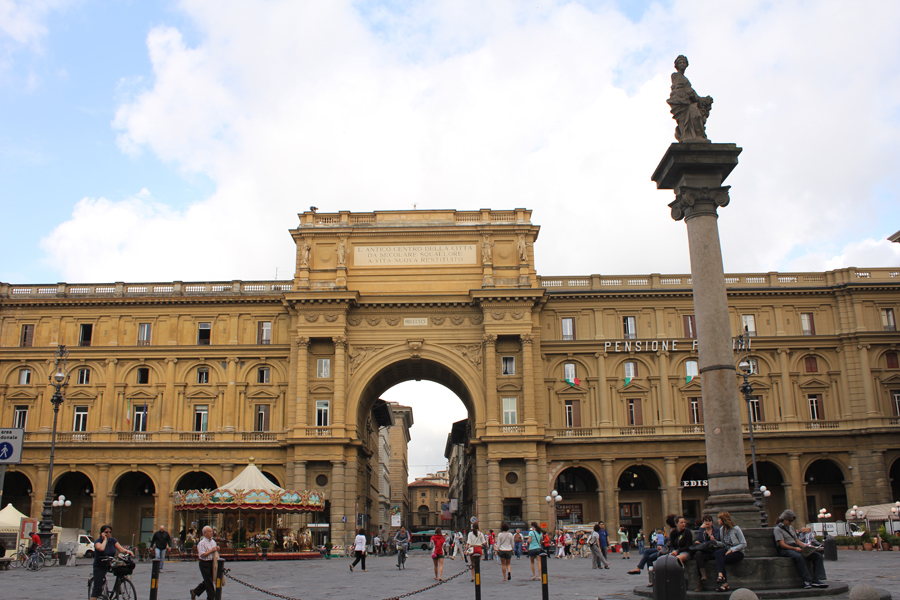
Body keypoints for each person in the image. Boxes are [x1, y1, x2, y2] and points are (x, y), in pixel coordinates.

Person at [773, 509, 828, 589]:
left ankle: (816, 579)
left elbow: (797, 540)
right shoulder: (778, 529)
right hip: (786, 549)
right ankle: (806, 580)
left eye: (792, 521)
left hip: (795, 547)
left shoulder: (790, 528)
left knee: (818, 556)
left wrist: (806, 547)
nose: (790, 522)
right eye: (789, 520)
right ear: (784, 519)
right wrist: (795, 549)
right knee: (799, 557)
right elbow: (782, 545)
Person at [90, 525, 134, 600]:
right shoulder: (98, 541)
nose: (108, 534)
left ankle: (117, 588)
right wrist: (104, 540)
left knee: (121, 571)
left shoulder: (113, 540)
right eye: (106, 532)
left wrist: (127, 551)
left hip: (109, 563)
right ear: (102, 533)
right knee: (97, 587)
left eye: (110, 532)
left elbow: (121, 549)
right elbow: (101, 548)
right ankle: (94, 597)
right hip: (100, 565)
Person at [713, 511, 746, 593]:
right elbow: (724, 544)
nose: (718, 521)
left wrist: (732, 550)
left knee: (722, 559)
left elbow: (744, 544)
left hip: (738, 551)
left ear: (724, 520)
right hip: (727, 549)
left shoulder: (736, 529)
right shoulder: (722, 529)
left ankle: (724, 583)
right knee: (718, 553)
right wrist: (715, 542)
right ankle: (720, 575)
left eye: (719, 519)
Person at [690, 515, 719, 591]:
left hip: (713, 551)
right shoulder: (702, 530)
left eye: (709, 521)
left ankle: (700, 581)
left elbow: (715, 540)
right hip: (704, 551)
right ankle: (702, 576)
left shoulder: (716, 530)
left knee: (698, 557)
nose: (708, 523)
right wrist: (701, 529)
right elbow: (700, 540)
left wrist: (705, 542)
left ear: (712, 522)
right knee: (698, 554)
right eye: (706, 521)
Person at [189, 526, 217, 600]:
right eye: (210, 532)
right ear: (204, 533)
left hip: (212, 563)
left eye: (212, 531)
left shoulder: (213, 542)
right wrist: (211, 550)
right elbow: (202, 555)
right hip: (205, 563)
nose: (212, 533)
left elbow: (214, 551)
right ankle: (211, 597)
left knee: (208, 580)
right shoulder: (202, 543)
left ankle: (195, 591)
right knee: (209, 582)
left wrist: (217, 549)